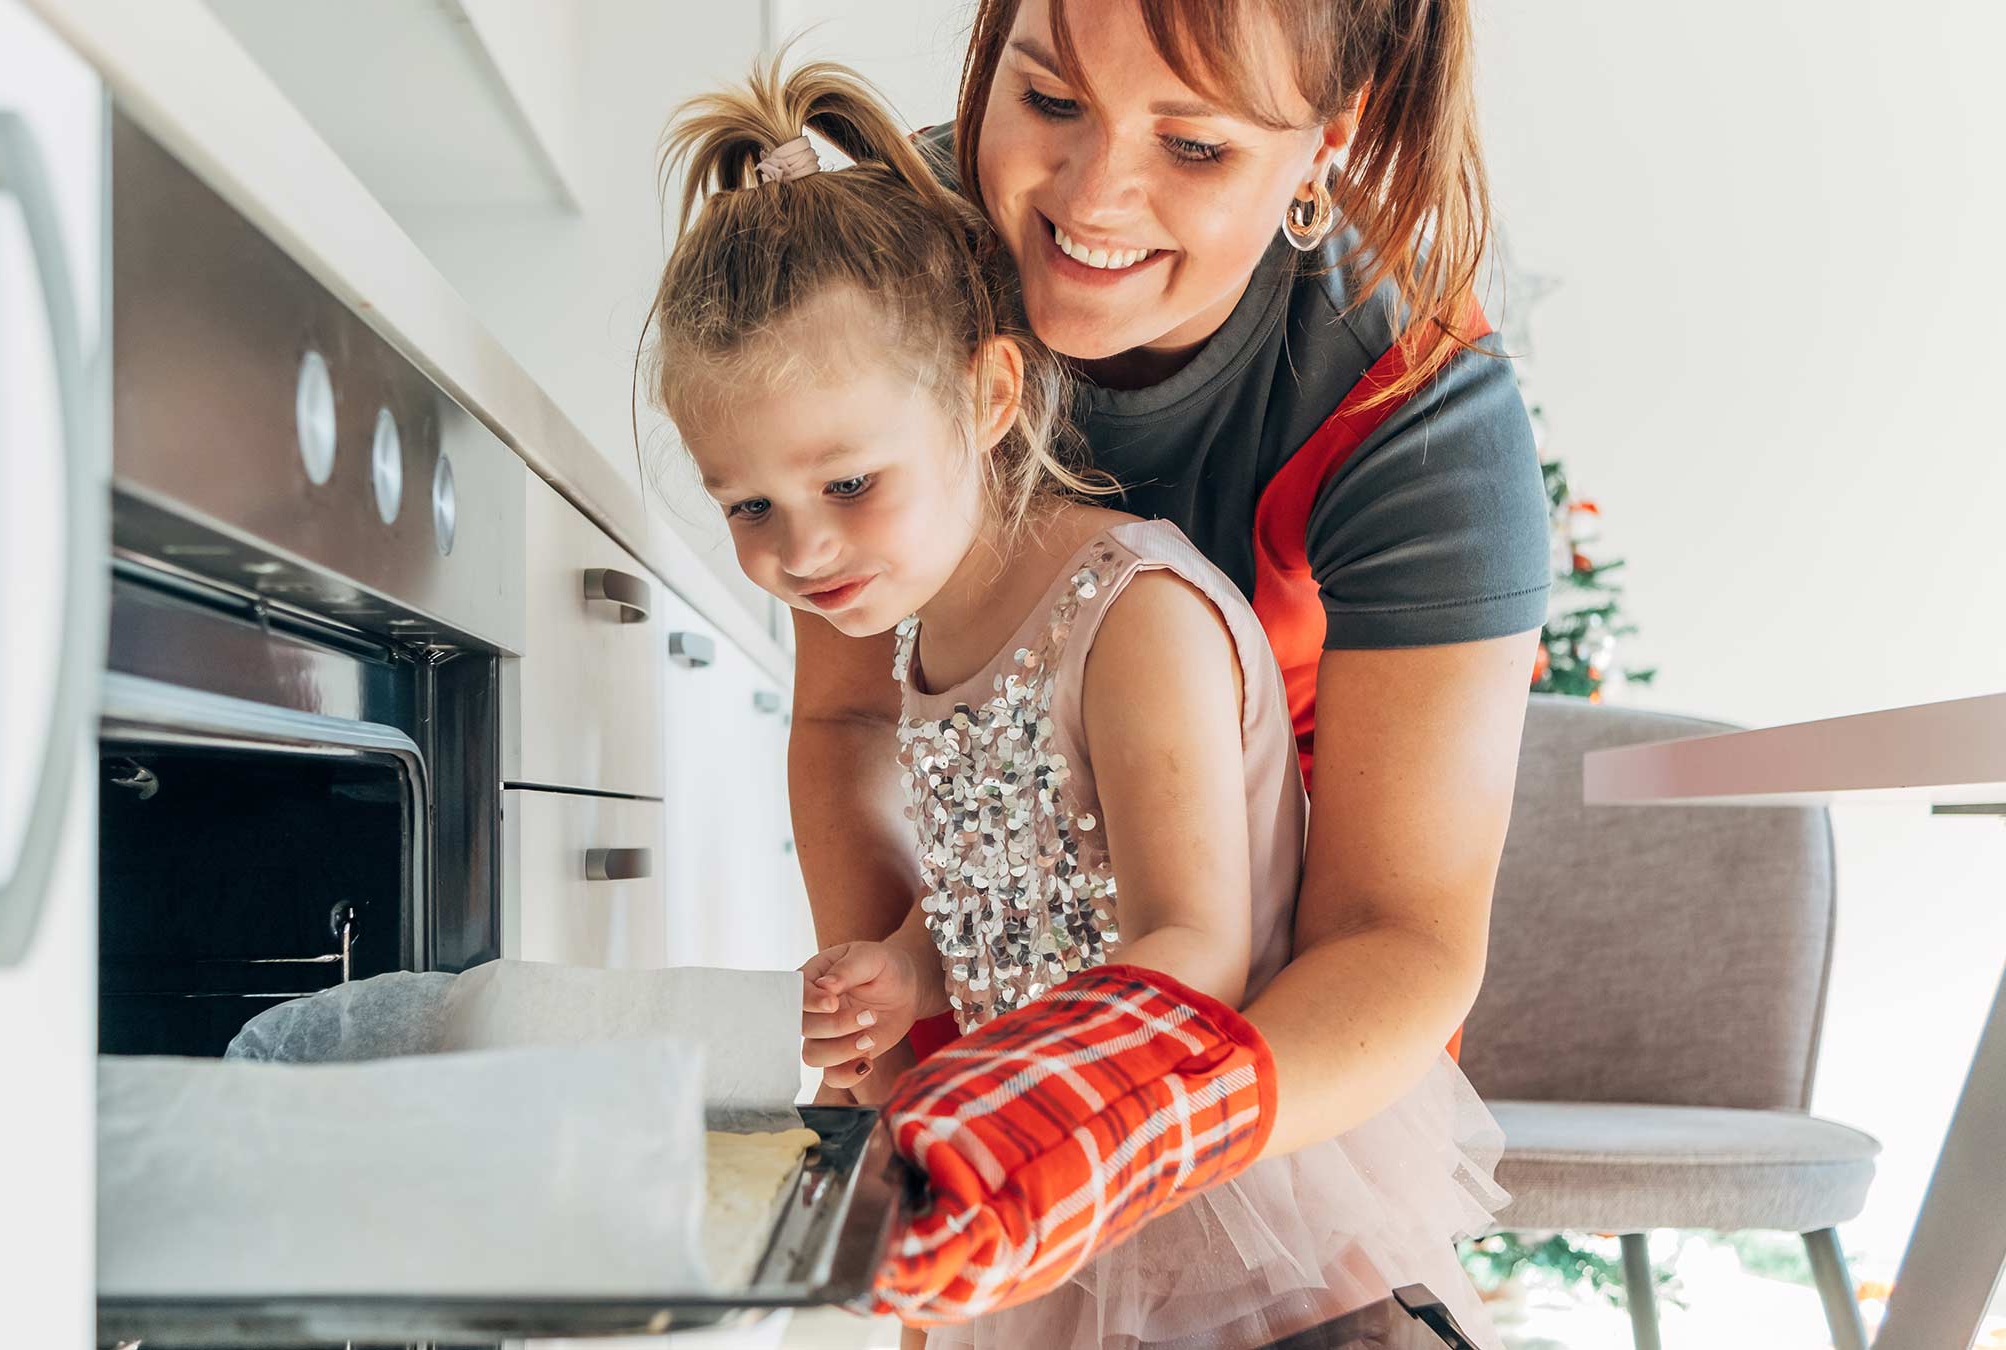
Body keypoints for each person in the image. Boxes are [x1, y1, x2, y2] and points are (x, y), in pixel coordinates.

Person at [644, 52, 1510, 1348]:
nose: (799, 554)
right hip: (1052, 1143)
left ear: (989, 399)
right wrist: (907, 970)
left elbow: (1194, 944)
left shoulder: (1133, 615)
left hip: (1216, 1166)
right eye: (746, 506)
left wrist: (998, 1085)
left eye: (1196, 143)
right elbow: (1019, 878)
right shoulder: (888, 425)